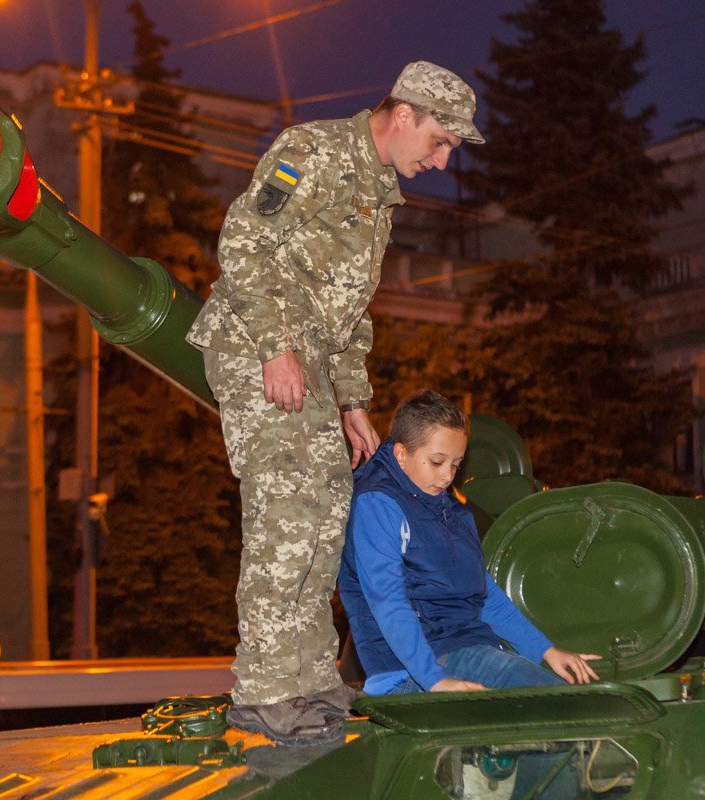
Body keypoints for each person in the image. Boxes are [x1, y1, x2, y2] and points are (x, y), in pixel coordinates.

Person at [186, 62, 486, 746]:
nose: (441, 161)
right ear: (404, 115)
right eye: (439, 142)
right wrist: (275, 347)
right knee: (287, 510)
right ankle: (266, 690)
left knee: (326, 508)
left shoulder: (379, 192)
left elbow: (348, 310)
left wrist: (353, 400)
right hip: (256, 344)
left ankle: (309, 679)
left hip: (314, 362)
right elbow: (245, 242)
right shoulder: (312, 151)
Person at [339, 390, 601, 697]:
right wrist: (434, 680)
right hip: (414, 666)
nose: (447, 476)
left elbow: (482, 593)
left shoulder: (447, 508)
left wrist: (545, 651)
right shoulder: (377, 503)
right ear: (400, 454)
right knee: (564, 706)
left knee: (569, 698)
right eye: (437, 462)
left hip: (465, 647)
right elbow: (388, 602)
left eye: (456, 464)